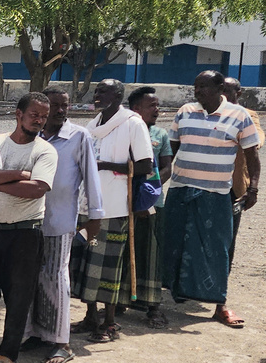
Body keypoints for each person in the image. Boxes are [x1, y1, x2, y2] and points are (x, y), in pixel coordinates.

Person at [162, 71, 260, 328]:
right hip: (180, 189)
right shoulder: (184, 111)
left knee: (217, 249)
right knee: (172, 243)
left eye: (204, 86)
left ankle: (220, 305)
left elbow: (252, 158)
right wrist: (153, 185)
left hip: (216, 194)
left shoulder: (241, 116)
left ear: (220, 88)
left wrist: (253, 190)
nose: (198, 91)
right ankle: (164, 298)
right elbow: (170, 153)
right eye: (196, 86)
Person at [0, 92, 57, 363]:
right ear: (18, 114)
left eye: (44, 117)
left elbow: (36, 189)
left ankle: (8, 354)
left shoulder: (45, 151)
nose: (39, 120)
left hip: (25, 233)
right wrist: (18, 175)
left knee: (18, 297)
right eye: (34, 114)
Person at [22, 88, 104, 363]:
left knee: (56, 279)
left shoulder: (78, 136)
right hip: (29, 221)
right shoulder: (32, 136)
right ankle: (36, 333)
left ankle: (62, 342)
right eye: (53, 106)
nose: (59, 111)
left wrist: (95, 215)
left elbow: (91, 178)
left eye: (63, 106)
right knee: (30, 278)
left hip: (60, 221)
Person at [71, 79, 153, 343]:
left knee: (108, 267)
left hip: (115, 206)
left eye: (103, 91)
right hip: (87, 205)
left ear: (118, 95)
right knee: (87, 262)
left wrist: (106, 165)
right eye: (96, 91)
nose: (97, 95)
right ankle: (90, 316)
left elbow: (144, 165)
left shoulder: (132, 123)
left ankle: (109, 322)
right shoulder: (92, 125)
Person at [126, 87, 173, 328]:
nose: (157, 110)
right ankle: (120, 301)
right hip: (122, 204)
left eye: (157, 105)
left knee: (152, 253)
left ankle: (154, 307)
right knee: (125, 252)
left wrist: (147, 194)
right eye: (151, 106)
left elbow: (166, 168)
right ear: (136, 110)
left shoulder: (160, 134)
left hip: (152, 203)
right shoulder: (124, 132)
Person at [222, 77, 263, 273]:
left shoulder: (249, 115)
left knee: (229, 235)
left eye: (227, 91)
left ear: (238, 93)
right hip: (211, 182)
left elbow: (257, 141)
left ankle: (222, 284)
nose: (223, 95)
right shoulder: (213, 114)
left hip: (235, 187)